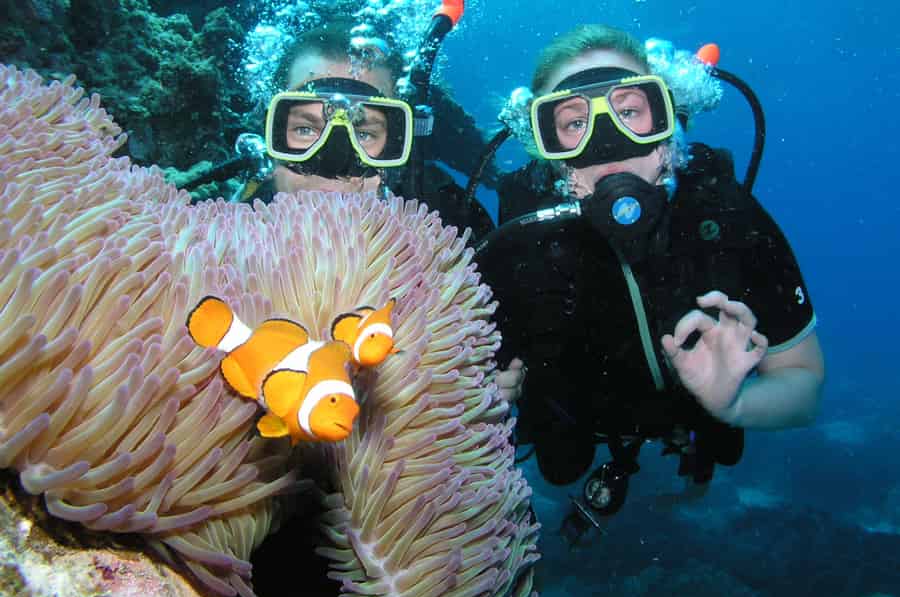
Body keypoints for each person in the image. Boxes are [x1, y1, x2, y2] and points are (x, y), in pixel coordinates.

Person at [480, 25, 824, 522]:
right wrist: (488, 393)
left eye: (628, 112)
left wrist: (737, 405)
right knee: (558, 460)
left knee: (719, 445)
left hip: (690, 425)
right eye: (575, 123)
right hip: (576, 425)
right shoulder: (518, 246)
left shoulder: (725, 220)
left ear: (665, 122)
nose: (608, 143)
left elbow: (805, 385)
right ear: (545, 145)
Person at [237, 16, 496, 241]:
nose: (333, 169)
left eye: (363, 134)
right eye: (306, 130)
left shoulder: (449, 223)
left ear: (398, 142)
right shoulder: (227, 230)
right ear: (270, 136)